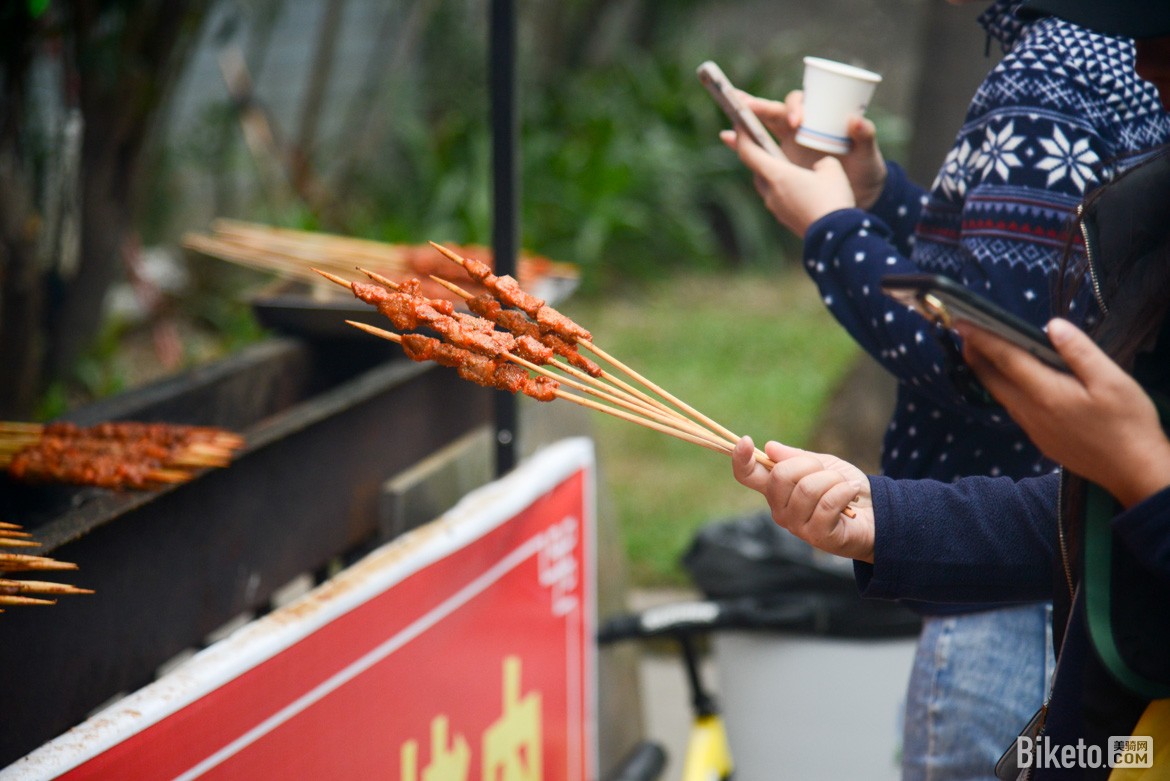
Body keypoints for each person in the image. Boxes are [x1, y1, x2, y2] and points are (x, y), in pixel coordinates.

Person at [718, 1, 1170, 777]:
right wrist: (882, 517)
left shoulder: (1060, 58)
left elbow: (994, 350)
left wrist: (832, 231)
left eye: (1159, 35)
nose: (1143, 63)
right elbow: (997, 273)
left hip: (1016, 624)